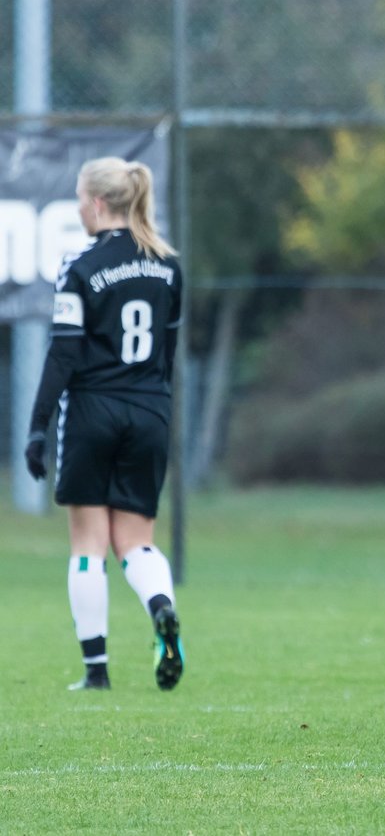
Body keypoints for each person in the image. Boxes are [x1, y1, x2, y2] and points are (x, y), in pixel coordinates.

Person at [25, 157, 186, 693]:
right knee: (136, 541)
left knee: (89, 544)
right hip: (150, 410)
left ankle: (96, 671)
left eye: (78, 197)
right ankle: (162, 609)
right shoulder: (168, 265)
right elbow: (169, 352)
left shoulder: (80, 264)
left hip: (93, 410)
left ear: (95, 203)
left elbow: (63, 356)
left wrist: (38, 425)